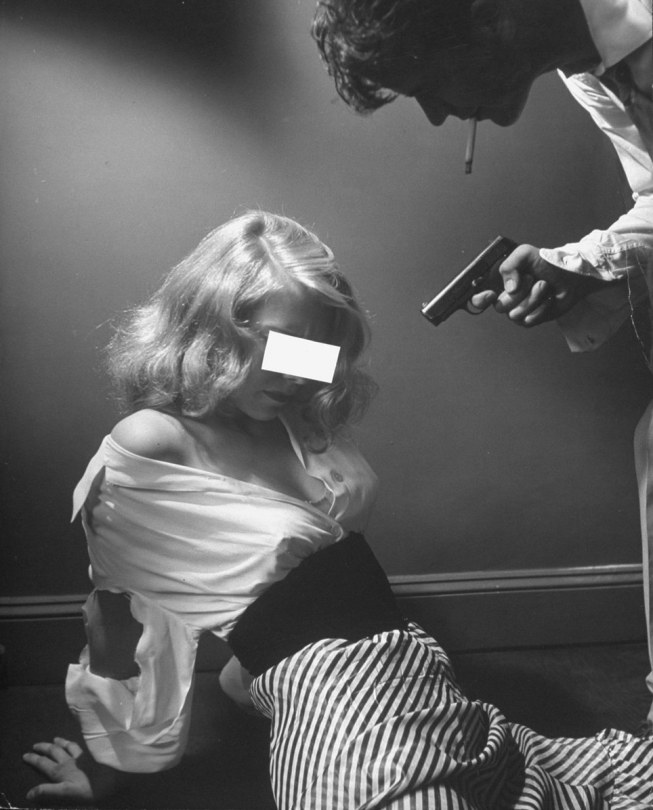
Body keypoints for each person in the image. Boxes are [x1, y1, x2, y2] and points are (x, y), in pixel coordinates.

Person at [23, 210, 653, 809]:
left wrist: (249, 673)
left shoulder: (292, 406)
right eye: (277, 341)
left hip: (418, 682)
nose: (297, 370)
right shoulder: (153, 442)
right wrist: (110, 770)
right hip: (343, 727)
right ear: (212, 326)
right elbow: (120, 619)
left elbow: (298, 574)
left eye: (315, 344)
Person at [312, 0, 653, 717]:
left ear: (480, 18)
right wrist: (578, 265)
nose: (439, 114)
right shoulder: (588, 69)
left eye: (427, 84)